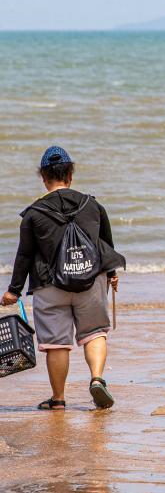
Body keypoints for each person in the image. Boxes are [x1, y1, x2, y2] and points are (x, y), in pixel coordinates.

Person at [2, 146, 119, 410]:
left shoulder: (33, 213)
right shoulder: (93, 205)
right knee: (94, 333)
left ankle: (58, 399)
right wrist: (111, 274)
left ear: (44, 177)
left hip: (49, 285)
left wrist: (14, 291)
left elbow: (24, 256)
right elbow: (106, 244)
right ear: (70, 174)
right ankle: (97, 379)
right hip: (90, 280)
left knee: (56, 345)